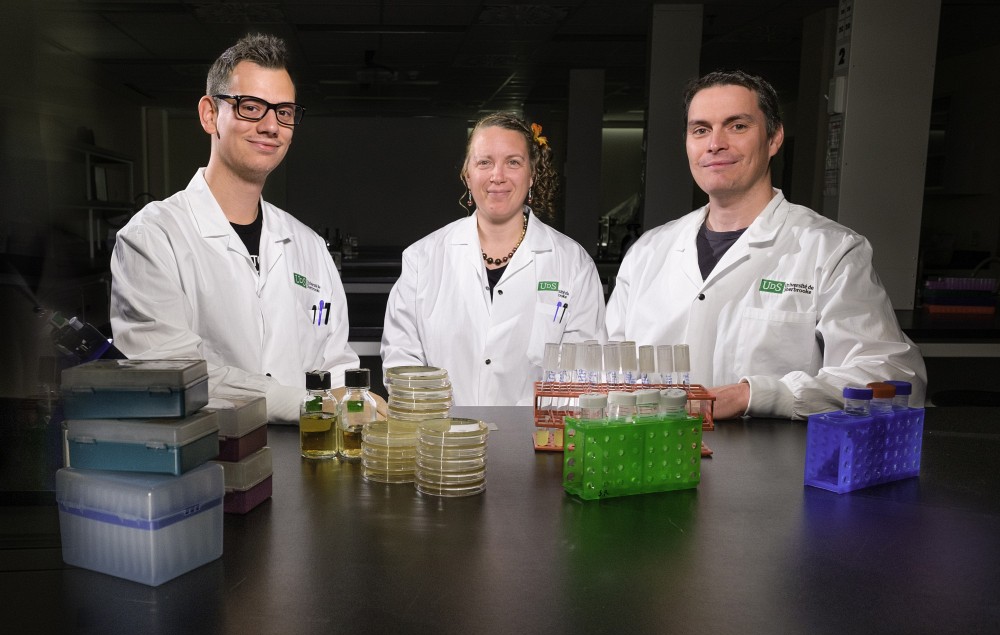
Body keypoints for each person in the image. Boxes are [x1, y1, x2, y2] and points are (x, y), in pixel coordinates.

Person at [605, 70, 927, 419]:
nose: (715, 143)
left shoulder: (831, 250)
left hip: (772, 454)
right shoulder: (648, 252)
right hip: (653, 448)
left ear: (774, 139)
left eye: (737, 126)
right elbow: (605, 370)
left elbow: (893, 375)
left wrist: (756, 395)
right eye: (701, 130)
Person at [110, 33, 381, 424]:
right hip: (208, 453)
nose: (272, 126)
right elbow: (174, 374)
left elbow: (335, 364)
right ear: (209, 114)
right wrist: (308, 403)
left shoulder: (308, 245)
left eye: (284, 112)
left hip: (311, 452)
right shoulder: (153, 238)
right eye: (251, 107)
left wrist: (356, 403)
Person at [381, 113, 606, 405]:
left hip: (538, 432)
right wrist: (438, 421)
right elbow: (401, 360)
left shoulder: (573, 264)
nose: (497, 176)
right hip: (442, 431)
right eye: (484, 162)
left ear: (532, 174)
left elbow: (584, 371)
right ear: (467, 174)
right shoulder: (422, 259)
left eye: (513, 162)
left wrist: (535, 425)